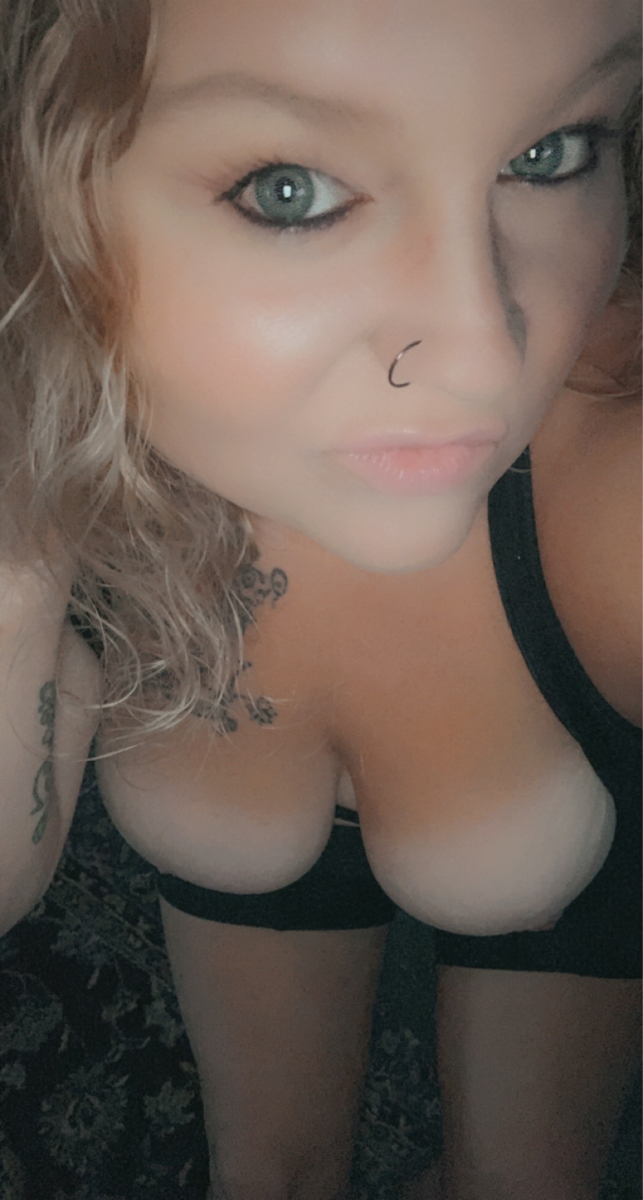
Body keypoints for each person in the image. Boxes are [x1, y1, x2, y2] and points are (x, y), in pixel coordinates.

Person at [1, 1, 640, 1197]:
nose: (485, 353)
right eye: (288, 192)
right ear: (43, 194)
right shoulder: (70, 450)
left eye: (549, 153)